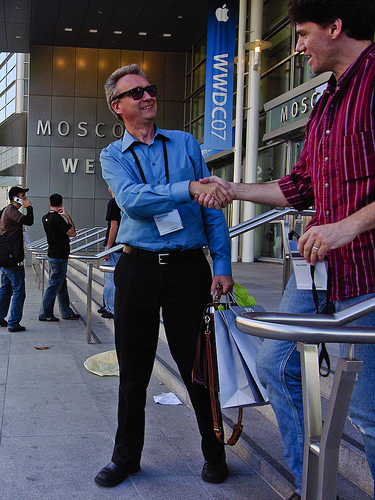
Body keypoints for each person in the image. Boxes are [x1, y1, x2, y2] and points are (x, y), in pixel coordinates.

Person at [197, 1, 375, 498]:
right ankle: (310, 485)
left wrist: (347, 227)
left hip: (368, 276)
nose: (296, 47)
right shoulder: (326, 101)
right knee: (277, 366)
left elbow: (341, 217)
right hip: (318, 271)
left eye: (302, 34)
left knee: (368, 412)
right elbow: (299, 187)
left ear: (335, 27)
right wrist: (233, 190)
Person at [94, 63, 234, 488]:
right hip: (136, 269)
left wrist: (223, 264)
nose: (147, 96)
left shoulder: (187, 144)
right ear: (117, 106)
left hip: (188, 271)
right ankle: (126, 458)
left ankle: (214, 453)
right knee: (133, 372)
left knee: (197, 369)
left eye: (150, 89)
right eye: (136, 93)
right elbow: (133, 202)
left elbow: (211, 208)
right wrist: (187, 189)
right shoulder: (112, 156)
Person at [0, 186, 34, 333]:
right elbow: (29, 221)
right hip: (12, 257)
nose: (25, 198)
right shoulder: (11, 211)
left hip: (7, 256)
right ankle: (13, 323)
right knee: (19, 290)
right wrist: (29, 207)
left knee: (6, 288)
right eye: (23, 196)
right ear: (15, 198)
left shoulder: (8, 210)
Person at [38, 193, 81, 322]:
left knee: (61, 285)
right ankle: (45, 312)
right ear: (61, 203)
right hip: (60, 256)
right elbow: (72, 233)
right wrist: (67, 216)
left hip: (52, 254)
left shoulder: (45, 218)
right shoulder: (57, 219)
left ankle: (66, 312)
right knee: (54, 284)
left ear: (50, 203)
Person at [100, 188, 121, 320]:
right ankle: (108, 305)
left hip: (115, 247)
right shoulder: (123, 202)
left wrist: (108, 246)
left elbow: (114, 225)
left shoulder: (114, 202)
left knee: (110, 279)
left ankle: (111, 308)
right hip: (121, 246)